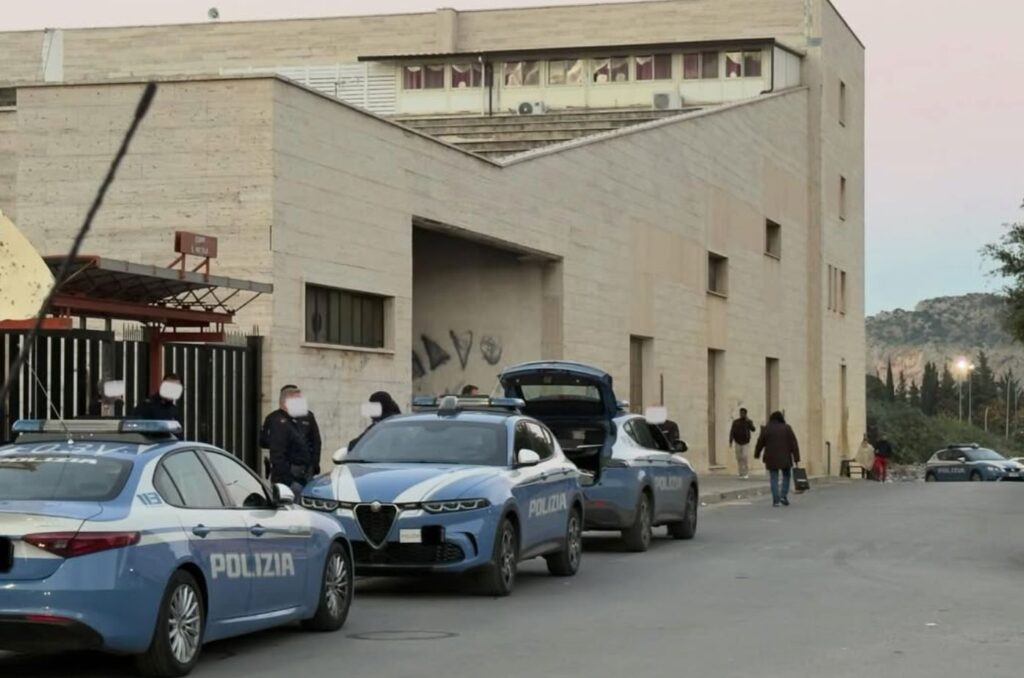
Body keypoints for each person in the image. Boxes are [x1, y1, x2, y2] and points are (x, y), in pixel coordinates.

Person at [266, 386, 317, 495]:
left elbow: (315, 443)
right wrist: (289, 481)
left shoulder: (303, 418)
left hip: (305, 474)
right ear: (286, 403)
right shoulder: (278, 422)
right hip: (289, 479)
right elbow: (277, 456)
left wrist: (313, 467)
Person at [260, 384, 322, 476]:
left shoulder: (308, 416)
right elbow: (266, 443)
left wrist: (314, 465)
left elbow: (316, 442)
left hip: (306, 469)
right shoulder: (275, 419)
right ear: (285, 402)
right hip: (287, 471)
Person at [754, 411, 801, 507]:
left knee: (773, 477)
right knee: (786, 476)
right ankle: (783, 496)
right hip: (785, 458)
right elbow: (794, 444)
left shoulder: (767, 429)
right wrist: (796, 458)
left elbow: (760, 442)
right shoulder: (787, 428)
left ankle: (776, 500)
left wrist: (757, 454)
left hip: (771, 458)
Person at [729, 408, 756, 479]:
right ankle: (741, 473)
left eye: (743, 413)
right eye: (741, 413)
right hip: (737, 442)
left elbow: (753, 429)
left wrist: (748, 422)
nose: (742, 414)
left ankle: (745, 472)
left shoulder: (748, 422)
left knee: (744, 456)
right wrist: (731, 441)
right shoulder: (736, 422)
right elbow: (732, 431)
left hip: (745, 442)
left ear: (746, 414)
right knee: (739, 458)